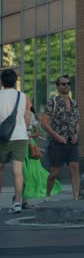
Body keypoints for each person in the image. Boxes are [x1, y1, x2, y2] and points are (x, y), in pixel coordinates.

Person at [42, 74, 80, 201]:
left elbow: (77, 122)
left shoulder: (74, 103)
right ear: (58, 87)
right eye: (63, 84)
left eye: (68, 83)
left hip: (72, 142)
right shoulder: (52, 102)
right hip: (57, 143)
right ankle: (48, 195)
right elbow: (44, 123)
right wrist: (57, 136)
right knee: (54, 172)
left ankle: (76, 198)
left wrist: (76, 134)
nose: (67, 86)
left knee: (74, 167)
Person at [0, 69, 31, 213]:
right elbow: (27, 118)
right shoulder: (23, 96)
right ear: (15, 81)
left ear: (2, 81)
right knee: (17, 170)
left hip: (2, 137)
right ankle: (17, 202)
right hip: (20, 136)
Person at [22, 106, 62, 207]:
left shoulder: (31, 116)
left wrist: (29, 135)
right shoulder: (16, 115)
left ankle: (24, 200)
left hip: (30, 147)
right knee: (23, 173)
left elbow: (37, 133)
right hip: (19, 146)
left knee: (32, 173)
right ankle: (21, 200)